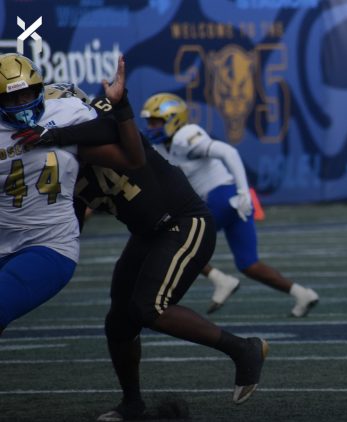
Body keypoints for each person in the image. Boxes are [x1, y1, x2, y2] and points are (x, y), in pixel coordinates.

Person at [17, 63, 269, 420]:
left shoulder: (90, 123)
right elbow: (67, 214)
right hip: (147, 233)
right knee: (119, 320)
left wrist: (56, 134)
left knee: (150, 308)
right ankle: (132, 403)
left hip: (184, 221)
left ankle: (244, 349)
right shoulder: (56, 155)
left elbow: (110, 130)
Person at [0, 53, 142, 335]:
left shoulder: (67, 112)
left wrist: (56, 135)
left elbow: (113, 134)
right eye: (10, 99)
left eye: (26, 95)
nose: (20, 105)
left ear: (40, 91)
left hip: (49, 244)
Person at [140, 93, 319, 317]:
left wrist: (245, 191)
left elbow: (229, 152)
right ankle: (302, 293)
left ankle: (220, 279)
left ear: (173, 119)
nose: (150, 126)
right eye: (149, 121)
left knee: (177, 240)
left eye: (155, 121)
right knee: (249, 264)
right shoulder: (162, 147)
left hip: (223, 197)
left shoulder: (185, 137)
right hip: (231, 200)